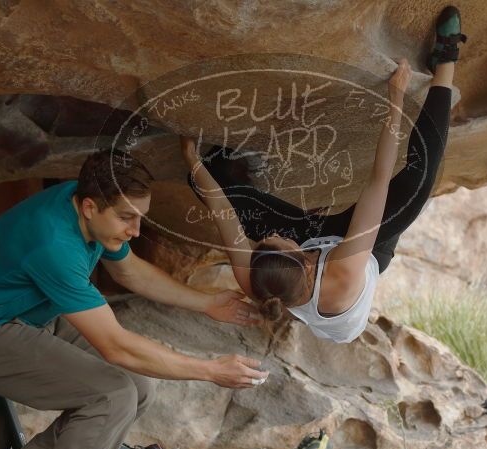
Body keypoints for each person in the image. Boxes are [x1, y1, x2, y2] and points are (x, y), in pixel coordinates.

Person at [0, 150, 268, 449]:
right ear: (91, 207)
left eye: (140, 217)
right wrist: (209, 371)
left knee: (140, 386)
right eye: (127, 218)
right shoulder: (54, 245)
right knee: (112, 395)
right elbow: (116, 346)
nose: (136, 231)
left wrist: (208, 302)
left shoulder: (83, 204)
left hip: (33, 318)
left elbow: (128, 271)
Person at [181, 6, 466, 344]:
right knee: (422, 175)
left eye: (262, 241)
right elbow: (379, 178)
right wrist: (395, 101)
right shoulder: (344, 273)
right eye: (277, 239)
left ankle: (236, 168)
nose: (272, 233)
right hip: (367, 254)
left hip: (315, 246)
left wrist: (191, 160)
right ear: (306, 263)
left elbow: (223, 213)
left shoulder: (259, 277)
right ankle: (446, 62)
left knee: (202, 181)